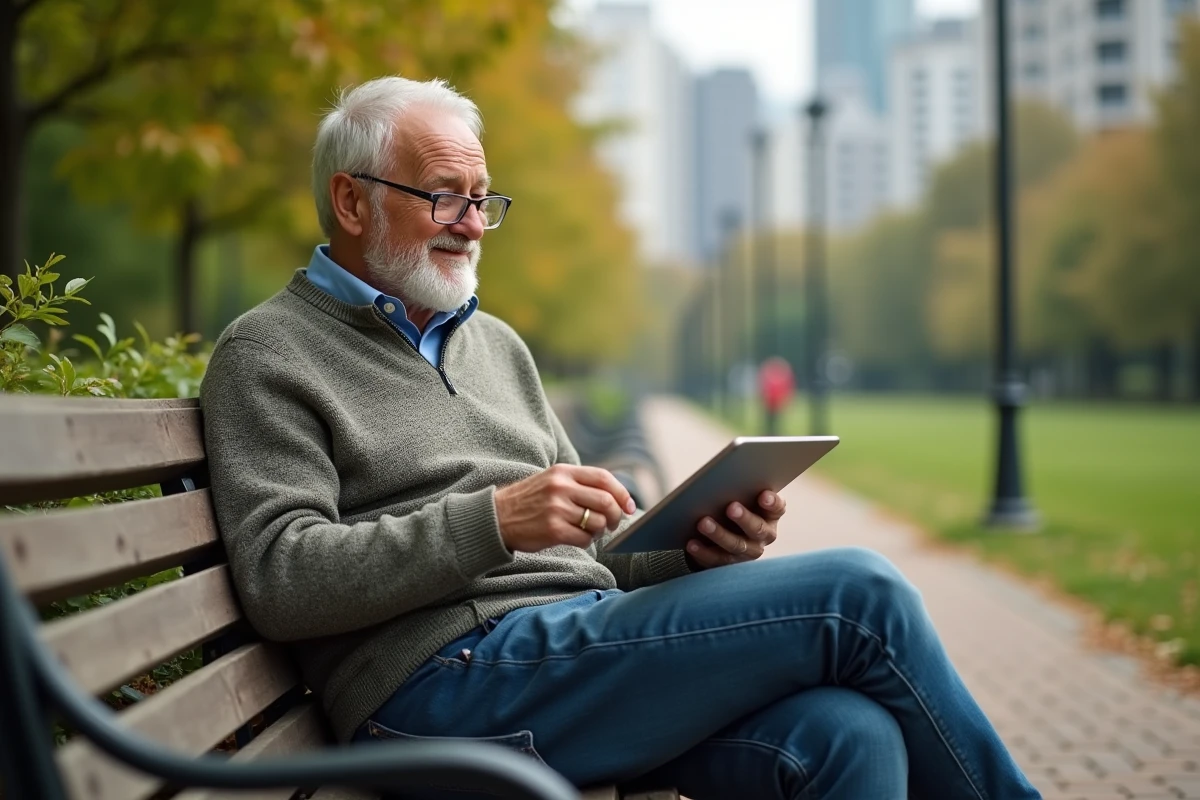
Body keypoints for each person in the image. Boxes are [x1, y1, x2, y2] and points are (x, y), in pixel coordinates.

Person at [200, 76, 1041, 800]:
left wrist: (696, 550)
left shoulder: (495, 345)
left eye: (483, 198)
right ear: (352, 200)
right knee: (859, 592)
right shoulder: (269, 353)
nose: (473, 224)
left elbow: (594, 550)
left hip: (570, 648)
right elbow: (282, 575)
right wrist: (493, 520)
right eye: (444, 195)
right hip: (440, 692)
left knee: (846, 733)